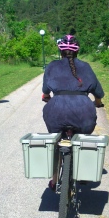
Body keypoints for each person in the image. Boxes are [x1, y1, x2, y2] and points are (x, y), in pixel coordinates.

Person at [41, 34, 104, 190]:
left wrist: (47, 97)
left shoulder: (52, 66)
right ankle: (81, 172)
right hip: (83, 113)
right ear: (78, 51)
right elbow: (99, 93)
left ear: (60, 50)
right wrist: (98, 103)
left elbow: (45, 92)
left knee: (56, 142)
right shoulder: (86, 67)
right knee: (82, 140)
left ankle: (54, 180)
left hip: (55, 112)